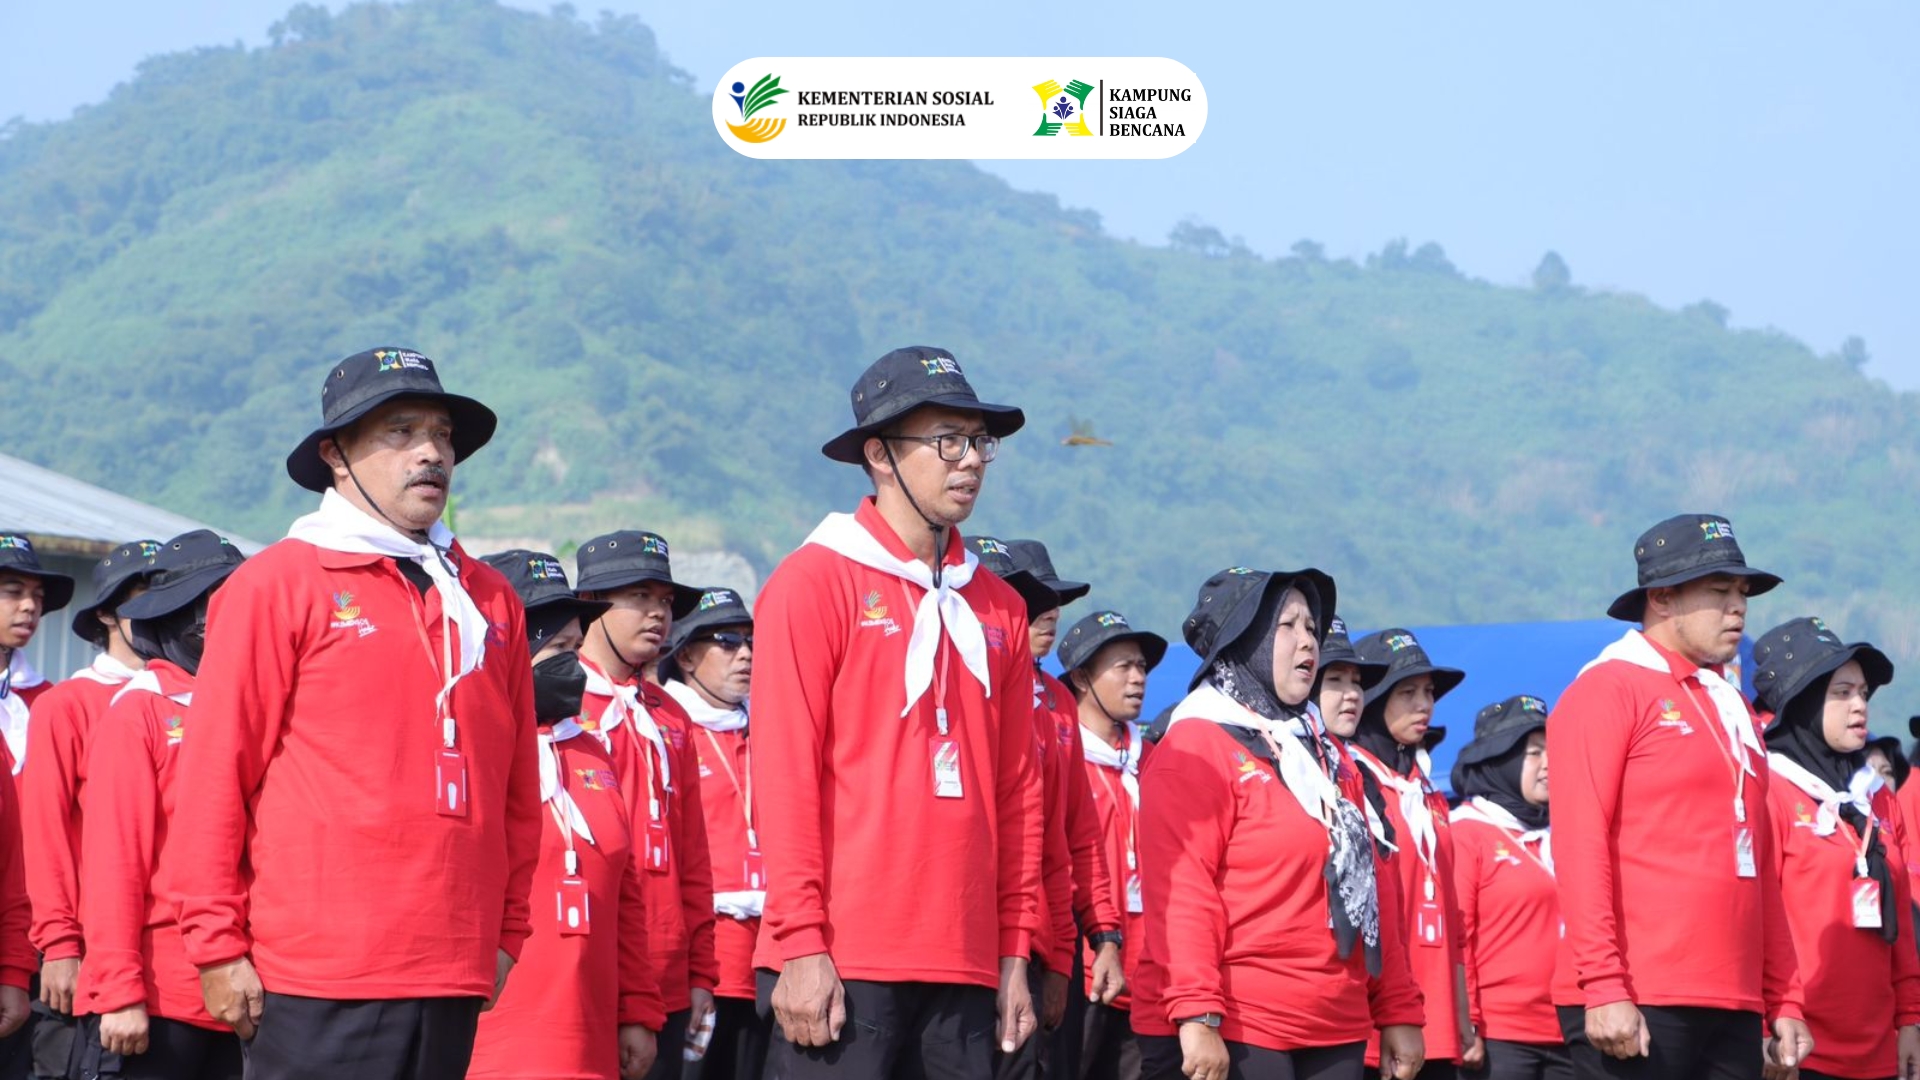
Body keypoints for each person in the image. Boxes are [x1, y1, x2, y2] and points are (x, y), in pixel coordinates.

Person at [171, 347, 542, 1080]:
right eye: (400, 432)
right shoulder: (277, 584)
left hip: (453, 963)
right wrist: (215, 944)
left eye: (441, 436)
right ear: (334, 455)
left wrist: (509, 932)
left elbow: (518, 787)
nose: (431, 453)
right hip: (318, 970)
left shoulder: (489, 598)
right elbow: (216, 774)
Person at [751, 345, 1043, 1077]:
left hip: (968, 963)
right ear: (879, 455)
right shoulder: (813, 581)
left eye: (979, 443)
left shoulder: (1000, 607)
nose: (969, 462)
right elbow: (783, 777)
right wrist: (800, 944)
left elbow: (1018, 796)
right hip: (844, 960)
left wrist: (1015, 952)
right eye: (947, 442)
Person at [1134, 566, 1425, 1080]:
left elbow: (1376, 885)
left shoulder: (1329, 755)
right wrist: (1198, 1012)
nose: (1308, 640)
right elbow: (1182, 889)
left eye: (1311, 626)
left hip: (1337, 1023)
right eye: (1286, 626)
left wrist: (1398, 1008)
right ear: (1244, 641)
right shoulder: (1194, 745)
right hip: (1242, 1026)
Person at [1548, 513, 1809, 1080]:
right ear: (1662, 597)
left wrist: (1784, 997)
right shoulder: (1608, 687)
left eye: (1742, 592)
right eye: (1719, 591)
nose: (1738, 607)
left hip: (1733, 999)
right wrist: (1604, 984)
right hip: (1639, 994)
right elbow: (1578, 842)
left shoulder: (1732, 706)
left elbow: (1759, 860)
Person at [467, 548, 664, 1080]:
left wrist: (639, 1009)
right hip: (491, 1039)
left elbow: (624, 889)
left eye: (577, 648)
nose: (572, 665)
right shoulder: (473, 748)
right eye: (556, 648)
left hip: (589, 1036)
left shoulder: (590, 750)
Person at [73, 529, 247, 1079]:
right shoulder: (140, 712)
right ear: (177, 617)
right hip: (163, 997)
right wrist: (120, 990)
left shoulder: (250, 705)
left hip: (251, 991)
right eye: (216, 602)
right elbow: (112, 862)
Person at [970, 535, 1123, 1080]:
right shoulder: (959, 688)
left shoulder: (1057, 703)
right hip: (961, 941)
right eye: (1031, 602)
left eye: (1051, 602)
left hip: (1033, 947)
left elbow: (1072, 836)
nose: (1048, 614)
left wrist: (1087, 943)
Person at [572, 530, 717, 1078]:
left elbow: (694, 855)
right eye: (639, 597)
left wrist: (701, 974)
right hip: (587, 969)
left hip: (667, 976)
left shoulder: (671, 714)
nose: (658, 613)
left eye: (664, 600)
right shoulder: (557, 700)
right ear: (590, 605)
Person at [1752, 617, 1920, 1080]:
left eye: (1863, 693)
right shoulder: (1768, 788)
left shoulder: (1877, 795)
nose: (1859, 705)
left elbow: (1902, 921)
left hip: (1880, 1048)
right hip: (1798, 1047)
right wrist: (1767, 1024)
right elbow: (1753, 920)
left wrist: (1910, 1018)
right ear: (1802, 701)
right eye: (1842, 692)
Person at [22, 539, 158, 1077]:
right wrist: (59, 944)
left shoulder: (187, 696)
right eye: (143, 597)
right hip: (86, 953)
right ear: (106, 613)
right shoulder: (68, 704)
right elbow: (47, 831)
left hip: (160, 953)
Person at [1351, 628, 1473, 1079]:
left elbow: (1452, 916)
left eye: (1428, 693)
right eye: (1407, 692)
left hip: (1436, 1011)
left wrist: (1460, 1011)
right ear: (1374, 698)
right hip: (1374, 1016)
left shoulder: (1428, 794)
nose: (1425, 704)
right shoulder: (1351, 782)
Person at [658, 585, 768, 1080]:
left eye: (750, 642)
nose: (744, 654)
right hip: (699, 966)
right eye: (726, 641)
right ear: (684, 656)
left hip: (768, 964)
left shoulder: (770, 730)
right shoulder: (663, 730)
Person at [1057, 608, 1169, 1080]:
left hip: (1152, 979)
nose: (1138, 678)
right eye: (1122, 666)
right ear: (1082, 678)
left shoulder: (1159, 762)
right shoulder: (1061, 758)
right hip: (1081, 980)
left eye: (1141, 666)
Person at [1447, 696, 1568, 1080]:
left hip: (1572, 1032)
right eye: (1535, 753)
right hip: (1500, 1039)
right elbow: (1458, 938)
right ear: (1501, 761)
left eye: (1553, 751)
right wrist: (1471, 1024)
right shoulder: (1466, 833)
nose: (1550, 764)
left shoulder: (1564, 832)